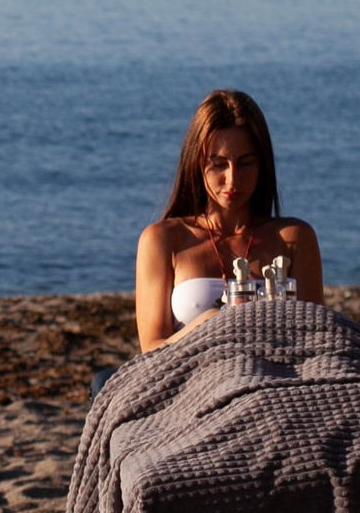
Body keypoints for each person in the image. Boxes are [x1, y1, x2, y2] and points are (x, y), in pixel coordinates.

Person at [134, 89, 324, 351]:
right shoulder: (164, 240)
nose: (232, 179)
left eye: (245, 163)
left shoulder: (293, 239)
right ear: (197, 163)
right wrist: (210, 324)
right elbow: (150, 348)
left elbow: (317, 338)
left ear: (262, 165)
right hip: (191, 374)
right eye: (219, 164)